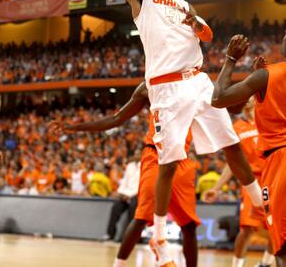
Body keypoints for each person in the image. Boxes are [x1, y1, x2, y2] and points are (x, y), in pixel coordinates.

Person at [92, 0, 262, 267]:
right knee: (169, 162)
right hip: (167, 89)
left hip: (198, 79)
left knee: (231, 144)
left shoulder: (185, 4)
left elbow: (207, 34)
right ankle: (158, 240)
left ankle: (259, 202)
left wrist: (194, 22)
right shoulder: (143, 1)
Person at [48, 82, 200, 267]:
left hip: (182, 158)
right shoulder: (149, 86)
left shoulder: (195, 82)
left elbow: (226, 104)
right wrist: (72, 127)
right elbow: (116, 118)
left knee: (189, 225)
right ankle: (119, 264)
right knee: (141, 217)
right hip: (156, 154)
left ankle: (165, 247)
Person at [211, 31, 286, 267]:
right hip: (260, 175)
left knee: (282, 241)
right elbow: (235, 108)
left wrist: (231, 59)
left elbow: (219, 98)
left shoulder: (269, 75)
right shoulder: (261, 79)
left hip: (279, 159)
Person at [206, 97, 274, 267]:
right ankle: (236, 265)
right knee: (247, 228)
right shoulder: (236, 128)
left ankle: (265, 264)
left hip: (273, 179)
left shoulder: (267, 120)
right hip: (252, 182)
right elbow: (233, 164)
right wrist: (217, 187)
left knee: (278, 229)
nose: (249, 98)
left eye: (251, 95)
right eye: (245, 96)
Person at [102, 151, 141, 242]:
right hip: (125, 194)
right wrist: (121, 193)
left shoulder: (145, 165)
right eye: (135, 154)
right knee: (115, 207)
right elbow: (124, 181)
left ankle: (128, 237)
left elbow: (141, 184)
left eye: (138, 154)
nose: (136, 155)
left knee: (133, 208)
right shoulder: (130, 166)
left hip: (136, 195)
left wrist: (130, 195)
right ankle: (110, 234)